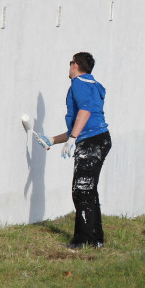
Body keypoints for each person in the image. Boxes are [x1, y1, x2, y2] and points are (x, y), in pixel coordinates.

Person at [33, 53, 111, 248]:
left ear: (75, 64)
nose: (69, 68)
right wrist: (53, 139)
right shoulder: (92, 84)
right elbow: (80, 122)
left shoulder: (78, 83)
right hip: (99, 139)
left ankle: (83, 241)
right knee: (88, 189)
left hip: (91, 141)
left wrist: (74, 139)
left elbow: (85, 112)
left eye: (70, 64)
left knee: (82, 190)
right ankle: (95, 240)